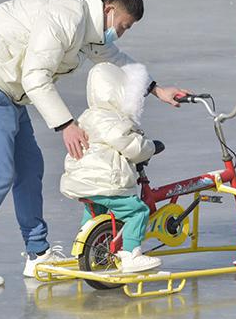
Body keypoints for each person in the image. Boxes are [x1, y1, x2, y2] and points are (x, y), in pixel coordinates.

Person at [0, 0, 187, 287]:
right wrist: (66, 125)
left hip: (7, 88)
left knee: (30, 169)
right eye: (123, 26)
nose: (121, 33)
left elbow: (115, 58)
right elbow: (35, 76)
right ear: (109, 10)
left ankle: (38, 253)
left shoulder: (90, 27)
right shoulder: (66, 17)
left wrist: (157, 89)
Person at [60, 62, 162, 273]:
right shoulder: (113, 119)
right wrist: (150, 147)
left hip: (83, 182)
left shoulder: (87, 116)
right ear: (120, 93)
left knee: (95, 211)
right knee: (137, 212)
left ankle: (87, 250)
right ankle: (131, 254)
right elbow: (130, 145)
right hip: (107, 181)